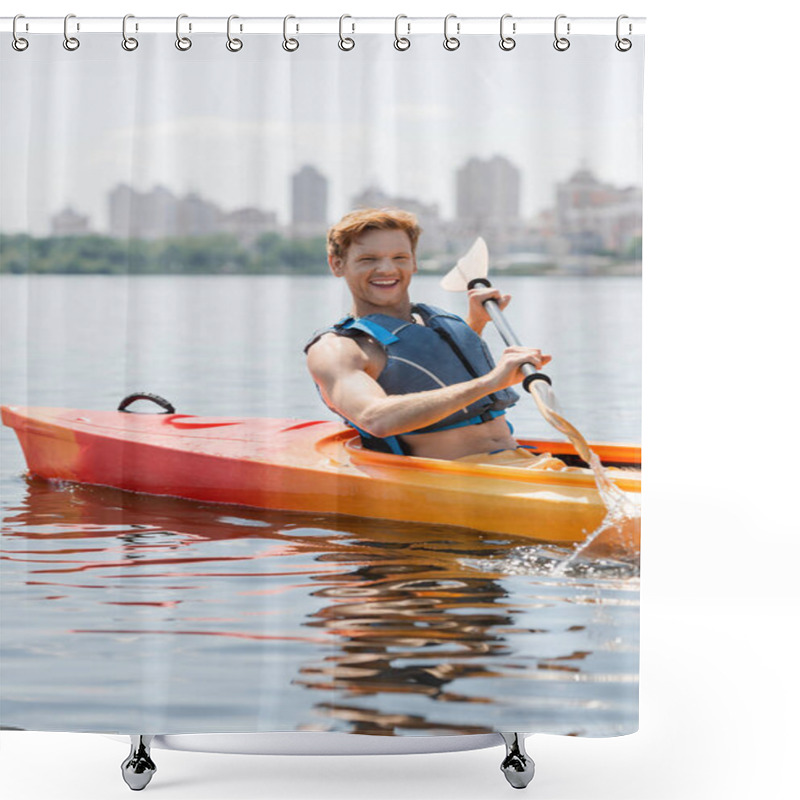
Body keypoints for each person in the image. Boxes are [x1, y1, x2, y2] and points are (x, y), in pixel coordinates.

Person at [304, 208, 566, 467]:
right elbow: (374, 418)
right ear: (337, 264)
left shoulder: (430, 322)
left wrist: (474, 324)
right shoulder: (338, 349)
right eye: (368, 259)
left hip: (520, 460)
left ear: (414, 262)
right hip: (460, 479)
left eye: (399, 257)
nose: (387, 268)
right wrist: (491, 382)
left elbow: (431, 369)